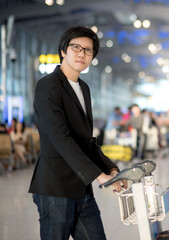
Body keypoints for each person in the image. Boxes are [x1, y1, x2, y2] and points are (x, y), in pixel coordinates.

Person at [28, 26, 124, 240]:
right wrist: (99, 176)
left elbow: (87, 142)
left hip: (82, 189)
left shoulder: (84, 88)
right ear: (63, 51)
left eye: (88, 50)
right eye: (76, 47)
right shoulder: (48, 86)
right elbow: (61, 139)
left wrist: (112, 168)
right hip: (55, 188)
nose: (82, 54)